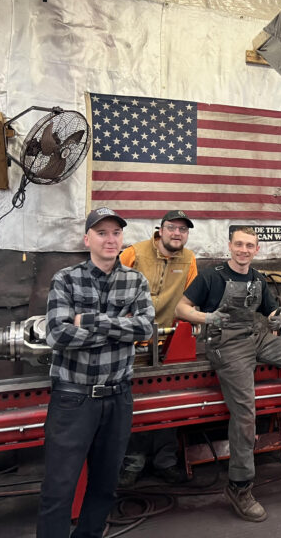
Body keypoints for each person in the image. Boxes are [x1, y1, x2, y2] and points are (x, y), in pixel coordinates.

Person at [174, 227, 281, 522]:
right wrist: (208, 317)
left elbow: (272, 313)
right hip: (226, 344)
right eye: (239, 244)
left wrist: (276, 319)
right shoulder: (211, 277)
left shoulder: (258, 279)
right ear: (230, 246)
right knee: (246, 414)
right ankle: (239, 486)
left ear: (256, 250)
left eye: (249, 245)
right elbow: (181, 309)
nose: (244, 250)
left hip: (257, 337)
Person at [37, 207, 155, 538]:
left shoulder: (136, 281)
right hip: (73, 399)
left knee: (105, 486)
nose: (110, 239)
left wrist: (91, 321)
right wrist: (121, 327)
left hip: (118, 397)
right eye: (101, 233)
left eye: (116, 232)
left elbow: (145, 329)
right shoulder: (65, 279)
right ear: (87, 239)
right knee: (59, 488)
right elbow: (58, 335)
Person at [118, 209, 197, 487]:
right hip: (132, 344)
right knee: (134, 405)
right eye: (172, 227)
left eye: (183, 229)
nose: (177, 233)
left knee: (170, 404)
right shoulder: (134, 254)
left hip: (169, 344)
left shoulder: (189, 259)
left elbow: (190, 299)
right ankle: (132, 462)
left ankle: (166, 461)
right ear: (160, 230)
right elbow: (110, 287)